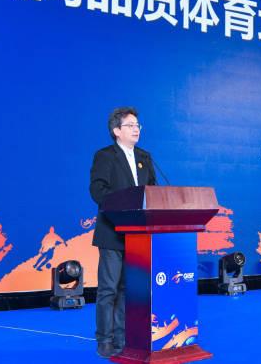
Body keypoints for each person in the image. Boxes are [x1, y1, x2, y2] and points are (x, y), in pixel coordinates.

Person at [89, 107, 157, 358]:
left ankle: (122, 338)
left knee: (127, 289)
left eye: (138, 125)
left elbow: (152, 191)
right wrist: (124, 204)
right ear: (117, 130)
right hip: (112, 231)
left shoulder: (144, 157)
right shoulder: (105, 156)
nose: (136, 129)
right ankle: (105, 340)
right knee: (108, 289)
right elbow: (98, 190)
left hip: (138, 235)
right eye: (130, 125)